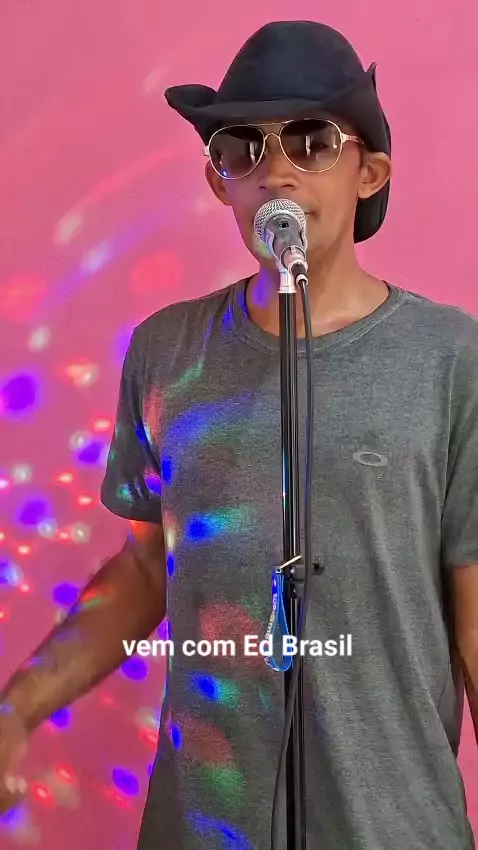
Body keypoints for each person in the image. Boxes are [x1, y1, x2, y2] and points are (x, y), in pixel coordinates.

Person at [0, 18, 477, 850]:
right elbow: (146, 569)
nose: (276, 171)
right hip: (203, 826)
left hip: (394, 827)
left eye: (312, 141)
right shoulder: (167, 352)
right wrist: (19, 708)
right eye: (242, 148)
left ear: (369, 172)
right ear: (219, 182)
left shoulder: (450, 359)